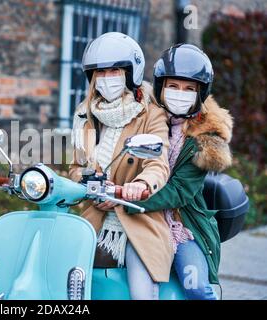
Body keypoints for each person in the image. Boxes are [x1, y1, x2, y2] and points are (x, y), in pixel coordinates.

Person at [125, 43, 233, 299]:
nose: (179, 93)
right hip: (143, 219)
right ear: (161, 87)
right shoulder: (145, 119)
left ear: (200, 93)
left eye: (189, 89)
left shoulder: (205, 138)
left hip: (183, 223)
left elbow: (180, 191)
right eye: (173, 86)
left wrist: (132, 201)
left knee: (194, 284)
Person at [69, 32, 172, 300]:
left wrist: (137, 186)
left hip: (137, 220)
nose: (107, 78)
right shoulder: (85, 115)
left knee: (141, 291)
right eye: (100, 72)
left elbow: (157, 163)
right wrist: (91, 185)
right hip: (94, 218)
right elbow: (75, 167)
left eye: (114, 70)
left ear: (130, 73)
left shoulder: (151, 113)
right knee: (61, 274)